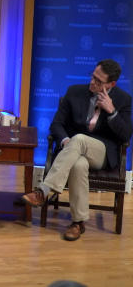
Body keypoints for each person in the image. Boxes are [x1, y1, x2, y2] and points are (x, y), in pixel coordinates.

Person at [22, 59, 132, 241]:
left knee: (79, 139)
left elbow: (126, 136)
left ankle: (43, 190)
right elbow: (57, 124)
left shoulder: (122, 99)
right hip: (73, 151)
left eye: (99, 81)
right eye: (92, 76)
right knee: (79, 164)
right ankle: (78, 223)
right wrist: (66, 141)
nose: (93, 82)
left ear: (111, 84)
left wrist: (112, 111)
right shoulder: (75, 92)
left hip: (102, 153)